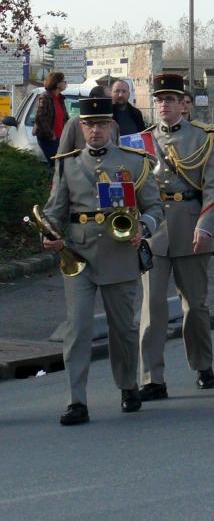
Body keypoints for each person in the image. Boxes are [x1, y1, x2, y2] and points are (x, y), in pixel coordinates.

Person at [41, 96, 162, 425]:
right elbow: (55, 209)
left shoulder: (135, 161)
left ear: (112, 126)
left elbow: (155, 208)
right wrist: (49, 233)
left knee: (122, 328)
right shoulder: (67, 162)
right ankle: (76, 400)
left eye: (101, 124)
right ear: (81, 127)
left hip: (119, 252)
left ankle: (127, 385)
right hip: (78, 256)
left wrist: (143, 226)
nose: (95, 130)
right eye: (89, 124)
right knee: (77, 329)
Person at [137, 73, 214, 399]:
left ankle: (202, 364)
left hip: (191, 225)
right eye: (159, 100)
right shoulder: (142, 141)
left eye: (169, 100)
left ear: (181, 104)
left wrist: (206, 224)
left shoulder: (202, 137)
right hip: (156, 229)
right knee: (152, 309)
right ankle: (152, 379)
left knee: (196, 307)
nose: (163, 105)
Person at [33, 71, 68, 164]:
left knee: (61, 164)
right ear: (57, 83)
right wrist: (50, 135)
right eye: (64, 81)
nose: (66, 83)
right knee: (56, 164)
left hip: (60, 138)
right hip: (48, 138)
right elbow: (40, 117)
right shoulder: (45, 97)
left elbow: (65, 118)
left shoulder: (60, 98)